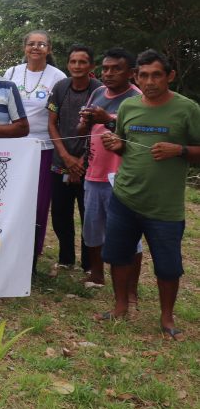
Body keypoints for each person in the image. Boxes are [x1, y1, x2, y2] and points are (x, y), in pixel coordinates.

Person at [97, 50, 200, 341]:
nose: (149, 81)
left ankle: (167, 318)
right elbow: (125, 145)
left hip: (164, 205)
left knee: (168, 266)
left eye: (156, 75)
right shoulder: (129, 107)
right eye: (143, 75)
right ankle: (120, 307)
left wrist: (179, 150)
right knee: (118, 256)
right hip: (125, 196)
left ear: (170, 76)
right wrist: (115, 144)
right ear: (136, 77)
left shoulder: (187, 109)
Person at [78, 48, 142, 289]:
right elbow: (80, 131)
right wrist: (84, 122)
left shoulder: (137, 98)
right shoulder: (96, 92)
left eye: (117, 69)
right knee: (92, 229)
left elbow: (138, 135)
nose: (109, 73)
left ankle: (131, 288)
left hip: (123, 177)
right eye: (105, 68)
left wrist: (107, 119)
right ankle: (97, 275)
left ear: (132, 73)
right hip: (94, 172)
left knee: (128, 235)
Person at [3, 30, 67, 264]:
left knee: (38, 201)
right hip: (13, 145)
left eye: (41, 44)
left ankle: (32, 251)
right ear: (24, 48)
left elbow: (60, 113)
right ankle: (8, 244)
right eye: (31, 44)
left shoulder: (58, 76)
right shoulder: (11, 73)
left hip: (43, 147)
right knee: (11, 198)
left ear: (49, 49)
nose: (36, 48)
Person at [47, 45, 102, 271]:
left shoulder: (99, 90)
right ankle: (66, 259)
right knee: (60, 215)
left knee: (89, 216)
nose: (77, 66)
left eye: (82, 62)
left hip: (90, 165)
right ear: (68, 64)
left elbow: (100, 127)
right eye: (73, 62)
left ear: (91, 66)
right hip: (61, 162)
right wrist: (66, 157)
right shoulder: (60, 87)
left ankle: (89, 264)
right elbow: (52, 123)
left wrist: (81, 161)